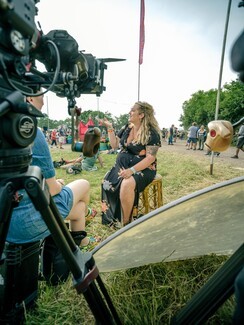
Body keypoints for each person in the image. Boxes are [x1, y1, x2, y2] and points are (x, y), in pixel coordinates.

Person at [6, 93, 93, 247]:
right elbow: (52, 190)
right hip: (25, 225)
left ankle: (82, 239)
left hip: (4, 225)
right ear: (30, 98)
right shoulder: (30, 130)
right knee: (84, 184)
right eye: (42, 95)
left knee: (77, 208)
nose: (43, 101)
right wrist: (57, 184)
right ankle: (88, 213)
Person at [100, 101, 162, 228]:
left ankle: (126, 223)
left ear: (142, 115)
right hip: (122, 167)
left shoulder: (152, 133)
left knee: (127, 184)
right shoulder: (127, 127)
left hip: (143, 168)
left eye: (133, 110)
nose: (130, 112)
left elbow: (150, 158)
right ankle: (113, 219)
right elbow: (114, 145)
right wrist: (110, 127)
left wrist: (132, 170)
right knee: (106, 181)